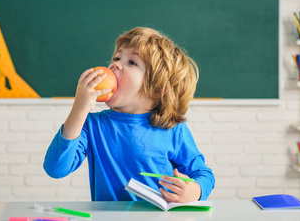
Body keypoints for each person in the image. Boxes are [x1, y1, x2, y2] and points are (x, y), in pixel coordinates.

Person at [44, 27, 215, 202]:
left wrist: (195, 190)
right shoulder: (92, 125)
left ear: (157, 89)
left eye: (131, 62)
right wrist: (79, 108)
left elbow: (203, 174)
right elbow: (55, 168)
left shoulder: (173, 129)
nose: (114, 64)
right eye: (117, 58)